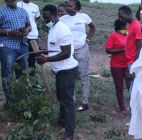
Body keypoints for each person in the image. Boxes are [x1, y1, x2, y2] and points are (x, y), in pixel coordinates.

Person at [37, 4, 78, 139]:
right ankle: (62, 122)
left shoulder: (62, 30)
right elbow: (56, 48)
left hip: (67, 70)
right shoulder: (53, 29)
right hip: (59, 71)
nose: (45, 20)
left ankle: (69, 132)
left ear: (55, 16)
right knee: (61, 98)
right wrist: (44, 50)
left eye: (48, 17)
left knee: (68, 102)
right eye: (44, 17)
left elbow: (66, 53)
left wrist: (47, 58)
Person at [60, 0, 96, 112]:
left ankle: (85, 103)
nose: (67, 7)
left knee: (83, 76)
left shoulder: (83, 17)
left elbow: (93, 27)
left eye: (70, 6)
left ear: (76, 8)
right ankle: (73, 101)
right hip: (68, 51)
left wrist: (87, 39)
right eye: (67, 5)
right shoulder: (62, 19)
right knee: (71, 76)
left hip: (82, 50)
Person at [0, 0, 31, 102]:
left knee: (23, 72)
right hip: (7, 46)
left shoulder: (23, 11)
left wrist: (27, 30)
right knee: (8, 73)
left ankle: (22, 99)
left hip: (23, 45)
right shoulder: (1, 12)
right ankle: (10, 101)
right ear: (6, 0)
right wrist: (9, 32)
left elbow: (29, 25)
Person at [104, 19, 130, 112]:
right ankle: (122, 107)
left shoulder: (128, 34)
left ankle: (132, 105)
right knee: (119, 87)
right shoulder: (113, 35)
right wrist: (122, 50)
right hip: (116, 66)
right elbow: (108, 50)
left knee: (130, 86)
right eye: (125, 26)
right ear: (120, 27)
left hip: (127, 64)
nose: (126, 27)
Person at [118, 6, 142, 94]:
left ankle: (133, 108)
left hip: (134, 62)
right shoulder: (130, 25)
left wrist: (134, 68)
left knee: (133, 92)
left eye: (121, 16)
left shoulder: (137, 26)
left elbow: (140, 48)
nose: (120, 19)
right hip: (130, 62)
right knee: (132, 90)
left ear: (128, 14)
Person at [17, 0, 40, 69]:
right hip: (22, 35)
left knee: (32, 58)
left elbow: (38, 17)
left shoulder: (35, 6)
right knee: (22, 57)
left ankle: (32, 76)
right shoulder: (17, 4)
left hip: (33, 35)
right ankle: (21, 76)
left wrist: (34, 25)